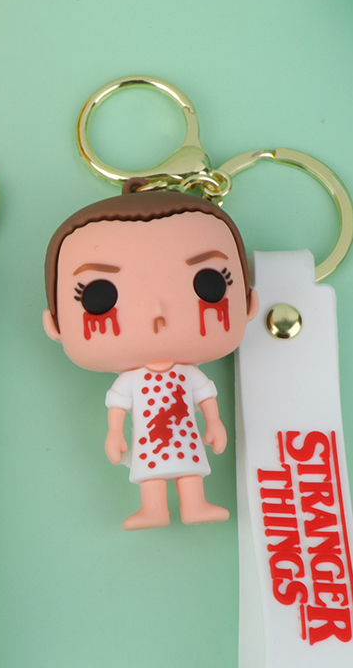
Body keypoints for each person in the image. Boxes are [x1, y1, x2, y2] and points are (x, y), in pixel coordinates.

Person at [43, 183, 259, 530]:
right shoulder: (131, 382)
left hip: (185, 436)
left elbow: (205, 397)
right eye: (99, 297)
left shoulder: (188, 377)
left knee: (190, 468)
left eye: (210, 284)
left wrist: (215, 423)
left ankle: (196, 505)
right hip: (149, 440)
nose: (157, 312)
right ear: (55, 325)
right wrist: (115, 433)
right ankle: (153, 509)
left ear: (249, 303)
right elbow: (118, 407)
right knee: (151, 472)